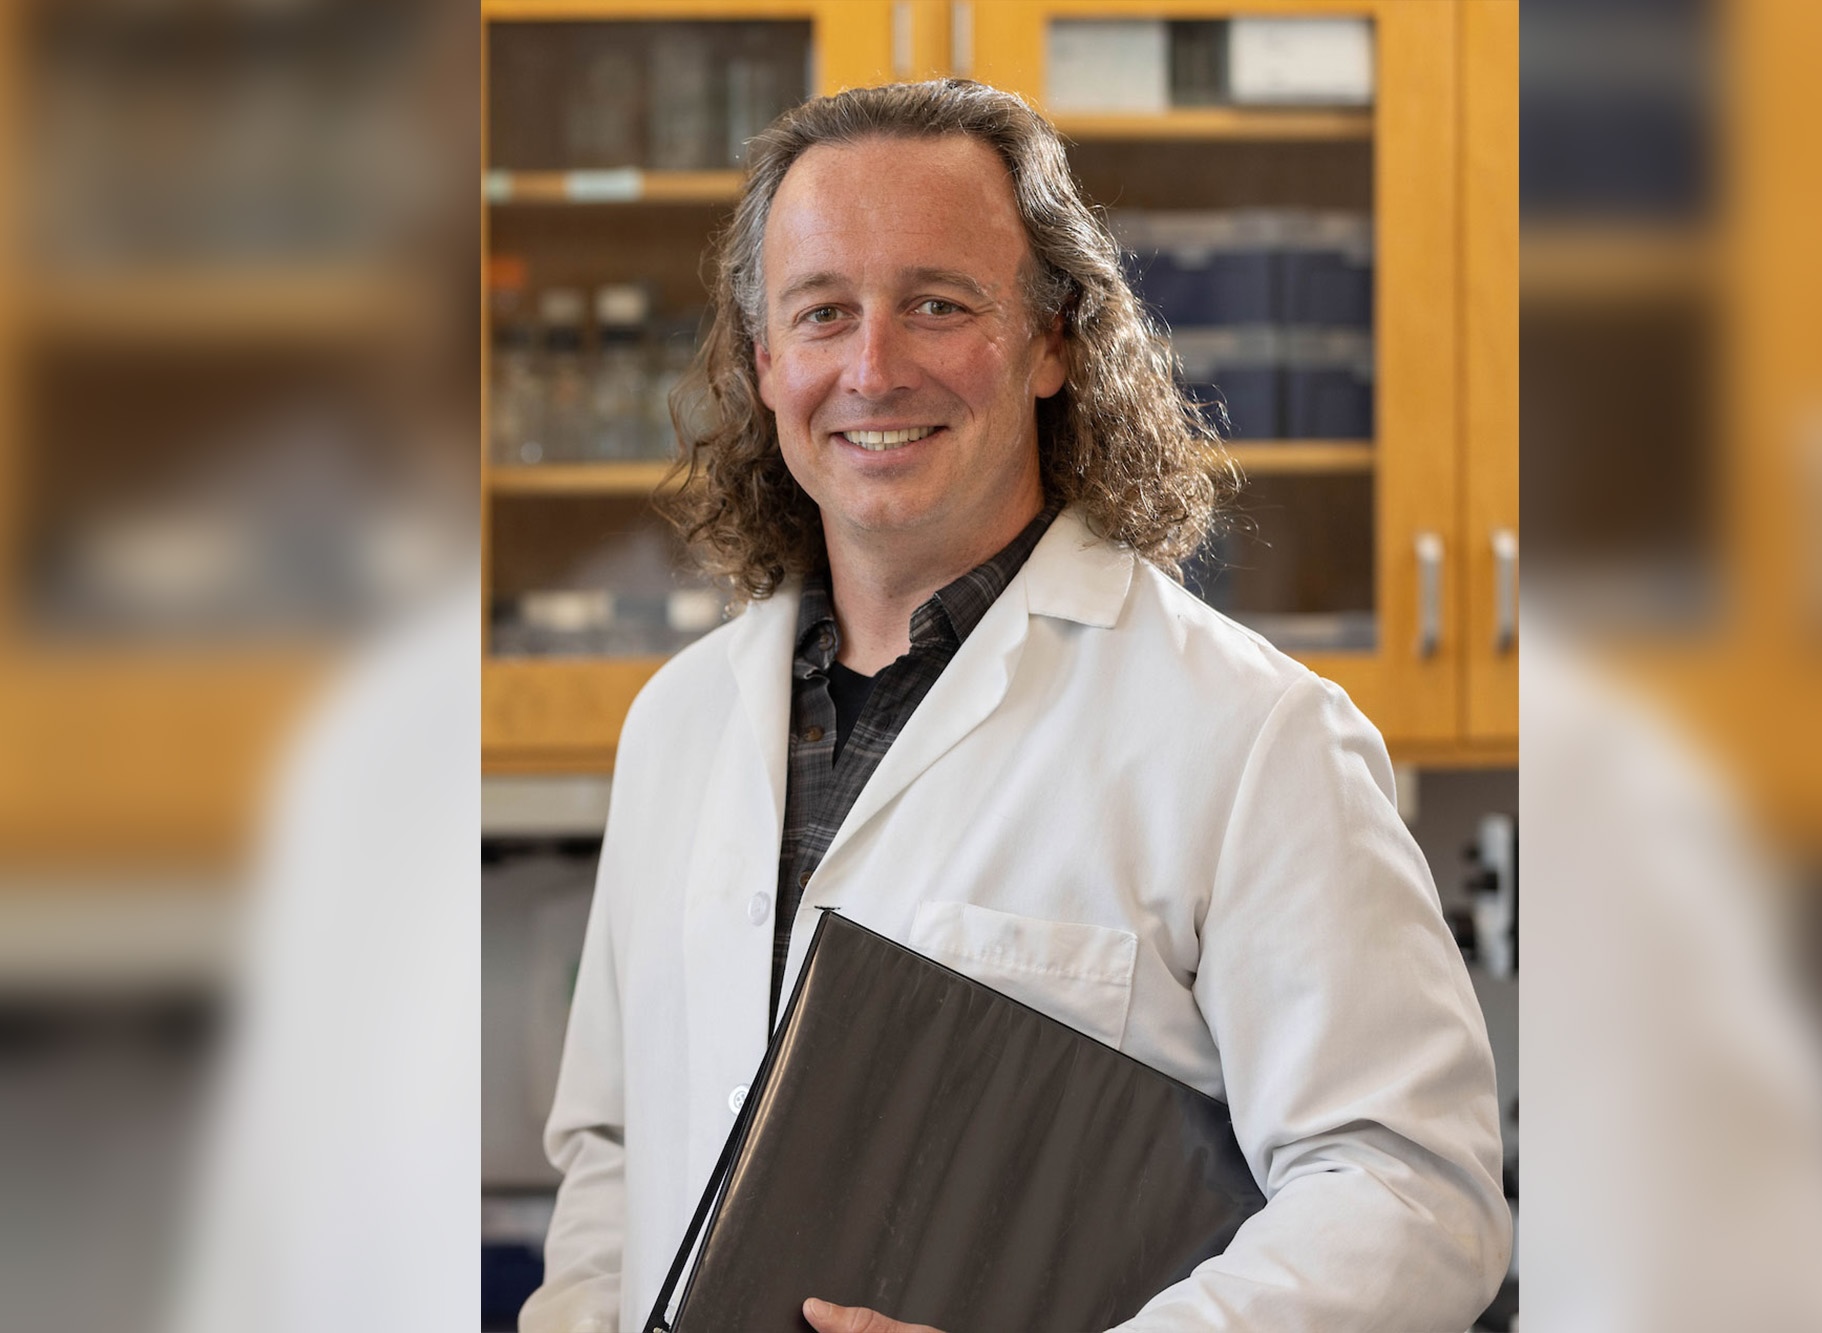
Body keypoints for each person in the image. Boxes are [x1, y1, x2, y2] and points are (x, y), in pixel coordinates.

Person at [519, 79, 1508, 1333]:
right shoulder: (675, 726)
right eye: (823, 313)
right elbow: (613, 1149)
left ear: (1053, 342)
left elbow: (1410, 1191)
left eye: (937, 304)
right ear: (765, 364)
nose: (872, 368)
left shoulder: (1252, 736)